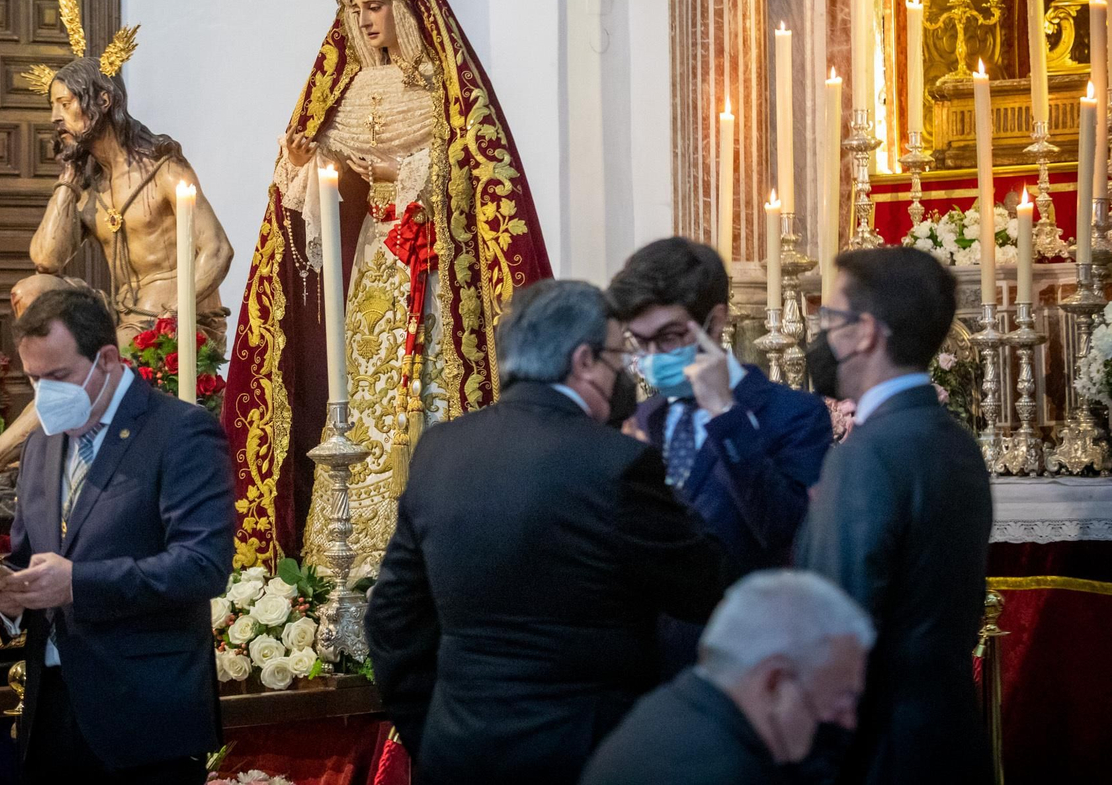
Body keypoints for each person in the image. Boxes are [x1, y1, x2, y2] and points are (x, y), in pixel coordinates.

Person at [223, 0, 553, 572]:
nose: (362, 19)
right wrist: (305, 166)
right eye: (352, 8)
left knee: (428, 390)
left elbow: (465, 173)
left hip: (428, 271)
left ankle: (436, 534)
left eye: (374, 6)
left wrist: (393, 176)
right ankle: (350, 549)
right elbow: (309, 208)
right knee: (357, 392)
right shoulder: (339, 93)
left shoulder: (440, 88)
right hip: (370, 265)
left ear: (405, 7)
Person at [365, 279, 727, 784]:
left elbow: (392, 618)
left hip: (459, 752)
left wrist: (430, 730)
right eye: (618, 356)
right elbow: (704, 585)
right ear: (583, 360)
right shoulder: (617, 462)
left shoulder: (440, 450)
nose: (623, 371)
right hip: (586, 755)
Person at [0, 0, 234, 498]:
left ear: (102, 101)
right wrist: (67, 176)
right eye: (53, 106)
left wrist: (178, 311)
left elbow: (217, 250)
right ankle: (49, 431)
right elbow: (46, 257)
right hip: (121, 313)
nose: (54, 118)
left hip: (173, 319)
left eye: (64, 104)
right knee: (33, 293)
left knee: (94, 356)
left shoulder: (164, 167)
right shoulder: (89, 186)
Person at [0, 288, 232, 784]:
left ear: (107, 359)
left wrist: (78, 583)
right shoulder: (39, 444)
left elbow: (202, 564)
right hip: (52, 707)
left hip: (144, 713)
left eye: (58, 377)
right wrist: (11, 597)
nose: (44, 394)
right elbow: (29, 556)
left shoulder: (180, 430)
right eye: (34, 379)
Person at [795, 247, 993, 784]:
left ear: (865, 333)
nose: (824, 337)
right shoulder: (958, 442)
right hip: (949, 733)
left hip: (880, 750)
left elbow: (834, 625)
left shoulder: (866, 454)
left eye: (830, 319)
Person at [608, 237, 832, 673]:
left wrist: (724, 414)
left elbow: (782, 529)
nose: (652, 357)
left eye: (669, 337)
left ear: (714, 323)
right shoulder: (645, 416)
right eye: (641, 342)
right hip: (646, 665)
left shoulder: (793, 415)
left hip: (743, 662)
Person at [581, 569, 874, 785]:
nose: (848, 721)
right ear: (774, 684)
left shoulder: (667, 709)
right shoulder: (727, 771)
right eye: (840, 699)